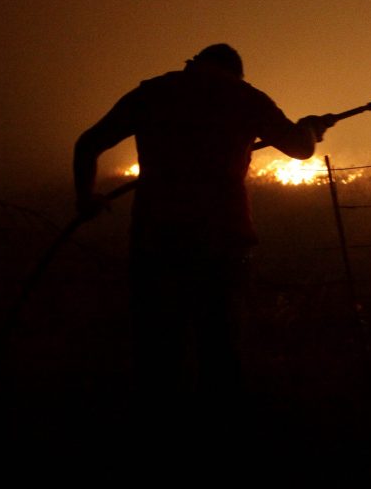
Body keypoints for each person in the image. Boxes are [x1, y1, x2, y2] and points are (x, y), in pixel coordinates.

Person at [73, 43, 329, 429]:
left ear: (194, 64)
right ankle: (219, 436)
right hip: (222, 240)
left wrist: (85, 199)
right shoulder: (245, 98)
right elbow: (299, 148)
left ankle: (156, 431)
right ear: (235, 73)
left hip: (155, 238)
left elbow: (88, 143)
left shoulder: (154, 92)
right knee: (220, 345)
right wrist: (310, 128)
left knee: (157, 347)